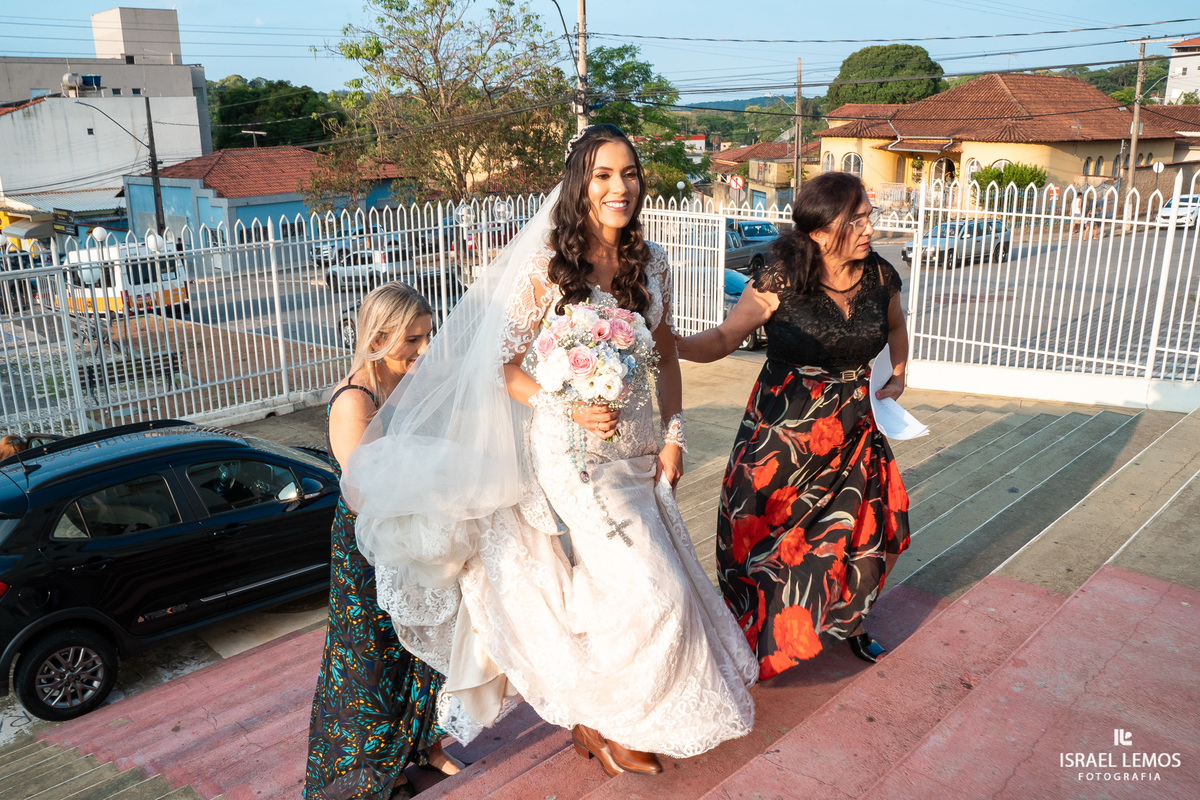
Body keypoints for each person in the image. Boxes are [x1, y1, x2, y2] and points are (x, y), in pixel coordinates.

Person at [342, 124, 756, 779]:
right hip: (571, 458)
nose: (620, 187)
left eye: (630, 174)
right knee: (656, 589)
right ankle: (616, 720)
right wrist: (563, 406)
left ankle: (598, 719)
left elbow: (666, 355)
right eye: (603, 175)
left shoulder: (653, 264)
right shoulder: (546, 268)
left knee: (623, 591)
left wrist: (675, 436)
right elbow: (501, 365)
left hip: (638, 454)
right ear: (579, 185)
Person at [677, 172, 912, 680]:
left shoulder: (880, 275)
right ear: (821, 232)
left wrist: (897, 377)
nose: (870, 228)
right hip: (780, 436)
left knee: (873, 530)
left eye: (868, 216)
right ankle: (758, 636)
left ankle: (851, 621)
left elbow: (896, 327)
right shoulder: (781, 279)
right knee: (762, 539)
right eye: (857, 220)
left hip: (854, 429)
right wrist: (670, 343)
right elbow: (724, 338)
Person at [305, 282, 461, 800]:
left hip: (417, 535)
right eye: (412, 339)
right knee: (372, 659)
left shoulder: (413, 384)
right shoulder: (355, 401)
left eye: (428, 335)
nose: (425, 348)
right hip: (368, 549)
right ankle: (375, 769)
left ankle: (427, 745)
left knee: (423, 644)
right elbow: (363, 492)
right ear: (378, 339)